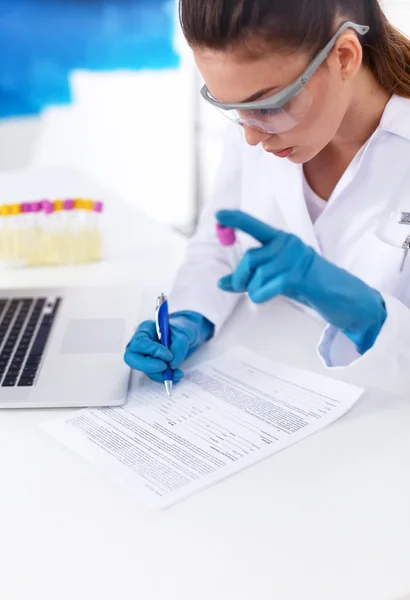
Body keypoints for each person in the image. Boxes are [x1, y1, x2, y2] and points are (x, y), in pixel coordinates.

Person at [125, 0, 410, 394]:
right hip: (267, 390)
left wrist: (368, 317)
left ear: (344, 57)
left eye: (270, 104)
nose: (251, 136)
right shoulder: (261, 124)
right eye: (233, 108)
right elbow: (218, 245)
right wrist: (189, 315)